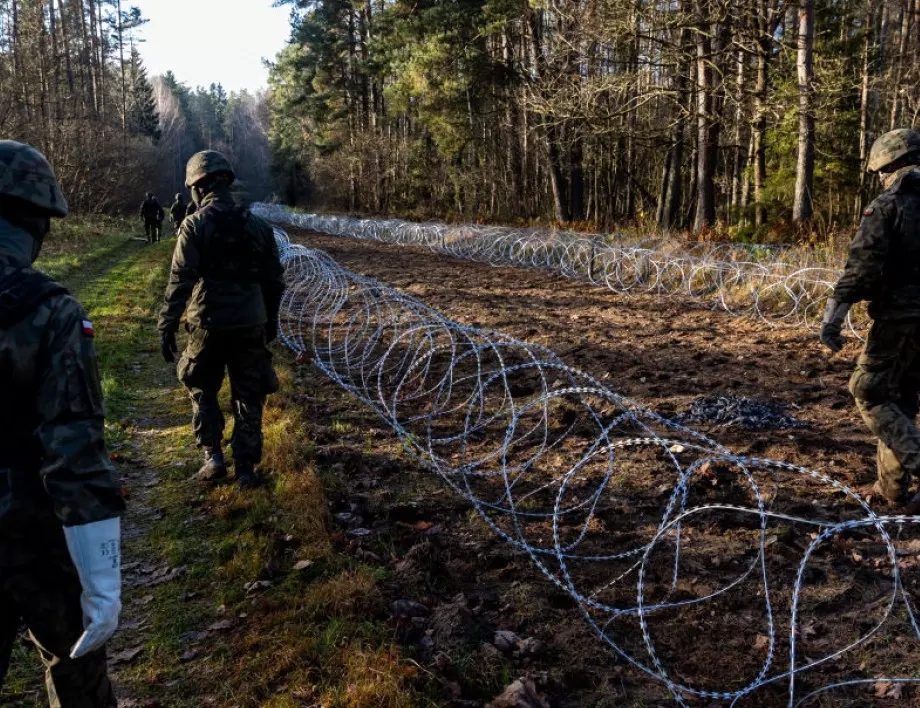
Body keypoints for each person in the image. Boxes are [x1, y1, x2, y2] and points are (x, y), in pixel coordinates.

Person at [0, 141, 124, 705]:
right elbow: (73, 448)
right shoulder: (50, 311)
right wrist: (102, 578)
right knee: (76, 674)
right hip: (32, 534)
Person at [158, 151, 285, 489]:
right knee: (249, 394)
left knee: (202, 389)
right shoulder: (259, 227)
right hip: (250, 323)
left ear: (197, 188)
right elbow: (274, 281)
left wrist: (167, 324)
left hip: (207, 323)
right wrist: (270, 322)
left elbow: (180, 280)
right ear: (227, 181)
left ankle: (213, 457)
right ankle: (245, 469)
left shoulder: (194, 225)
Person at [822, 128, 920, 512]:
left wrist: (834, 316)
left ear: (891, 164)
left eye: (881, 170)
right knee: (901, 396)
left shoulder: (889, 205)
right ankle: (893, 489)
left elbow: (862, 269)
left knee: (868, 391)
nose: (880, 176)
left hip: (899, 318)